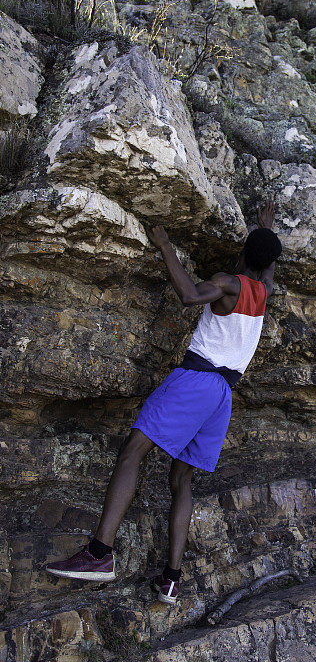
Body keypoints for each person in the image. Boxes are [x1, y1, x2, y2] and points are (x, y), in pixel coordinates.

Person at [45, 196, 281, 604]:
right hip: (223, 396)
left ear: (243, 254)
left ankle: (100, 554)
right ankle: (171, 578)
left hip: (197, 380)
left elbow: (190, 295)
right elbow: (265, 265)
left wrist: (164, 245)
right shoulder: (264, 290)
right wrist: (265, 232)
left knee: (133, 451)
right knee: (181, 479)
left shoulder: (228, 283)